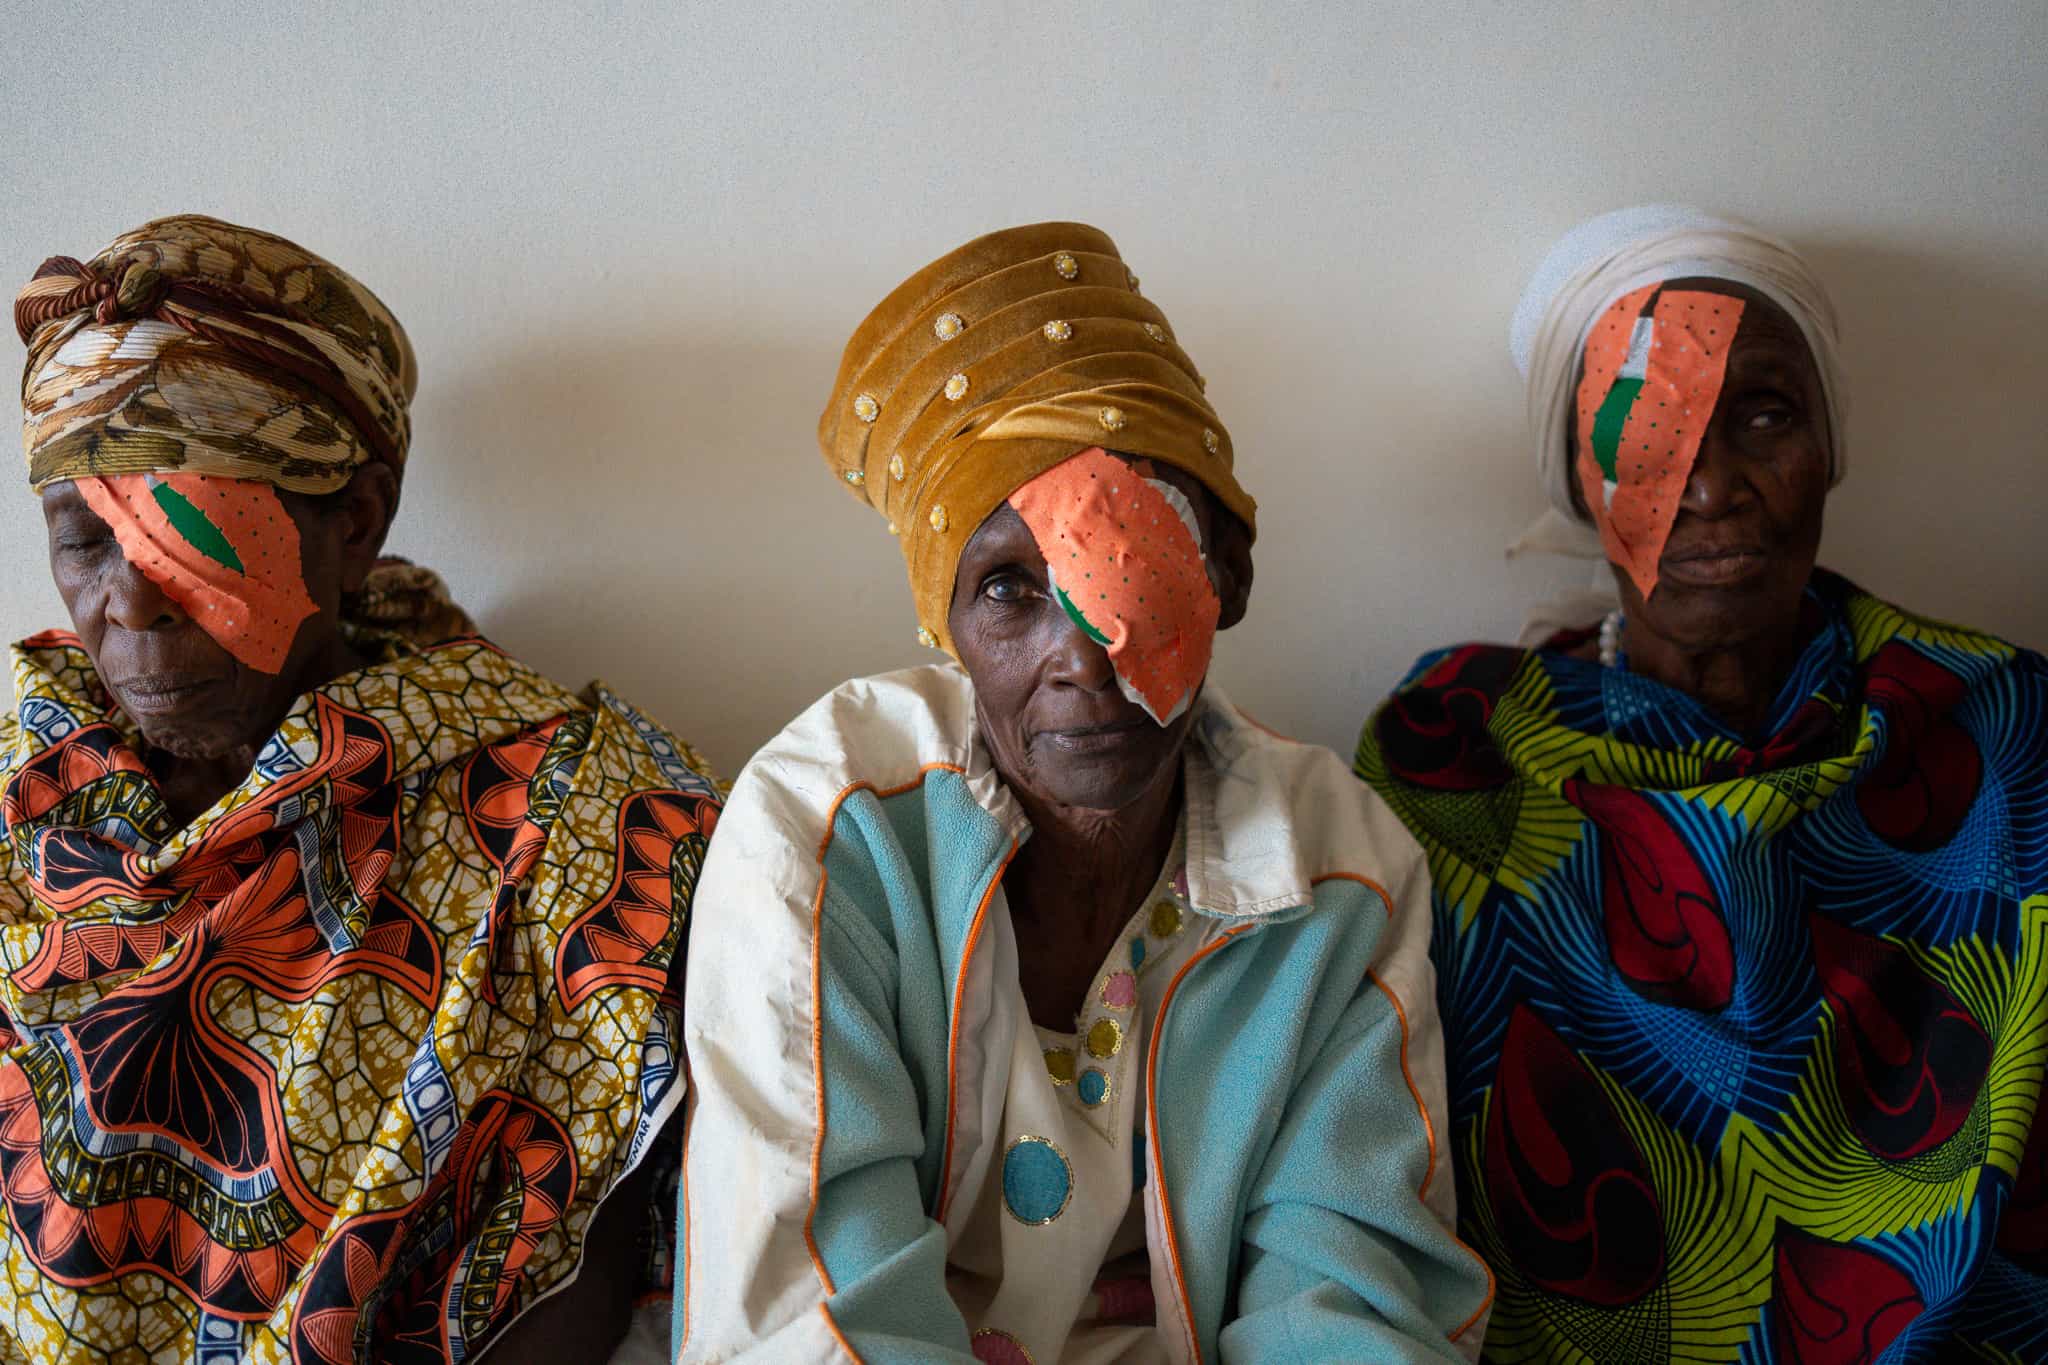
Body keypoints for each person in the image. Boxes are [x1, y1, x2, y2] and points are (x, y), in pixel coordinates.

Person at [678, 222, 1492, 1362]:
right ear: (947, 630)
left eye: (1137, 568)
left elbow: (1349, 1299)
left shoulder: (1334, 865)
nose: (1085, 653)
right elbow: (809, 1306)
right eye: (1011, 588)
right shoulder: (822, 835)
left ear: (1228, 579)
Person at [4, 215, 719, 1362]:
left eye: (185, 530)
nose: (127, 606)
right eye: (84, 542)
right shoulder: (19, 788)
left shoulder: (576, 822)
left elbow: (569, 1286)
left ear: (356, 520)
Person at [1354, 205, 2048, 1361]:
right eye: (1644, 436)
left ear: (1829, 446)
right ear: (1575, 482)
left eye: (1763, 415)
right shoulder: (1456, 753)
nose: (1711, 487)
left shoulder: (1998, 725)